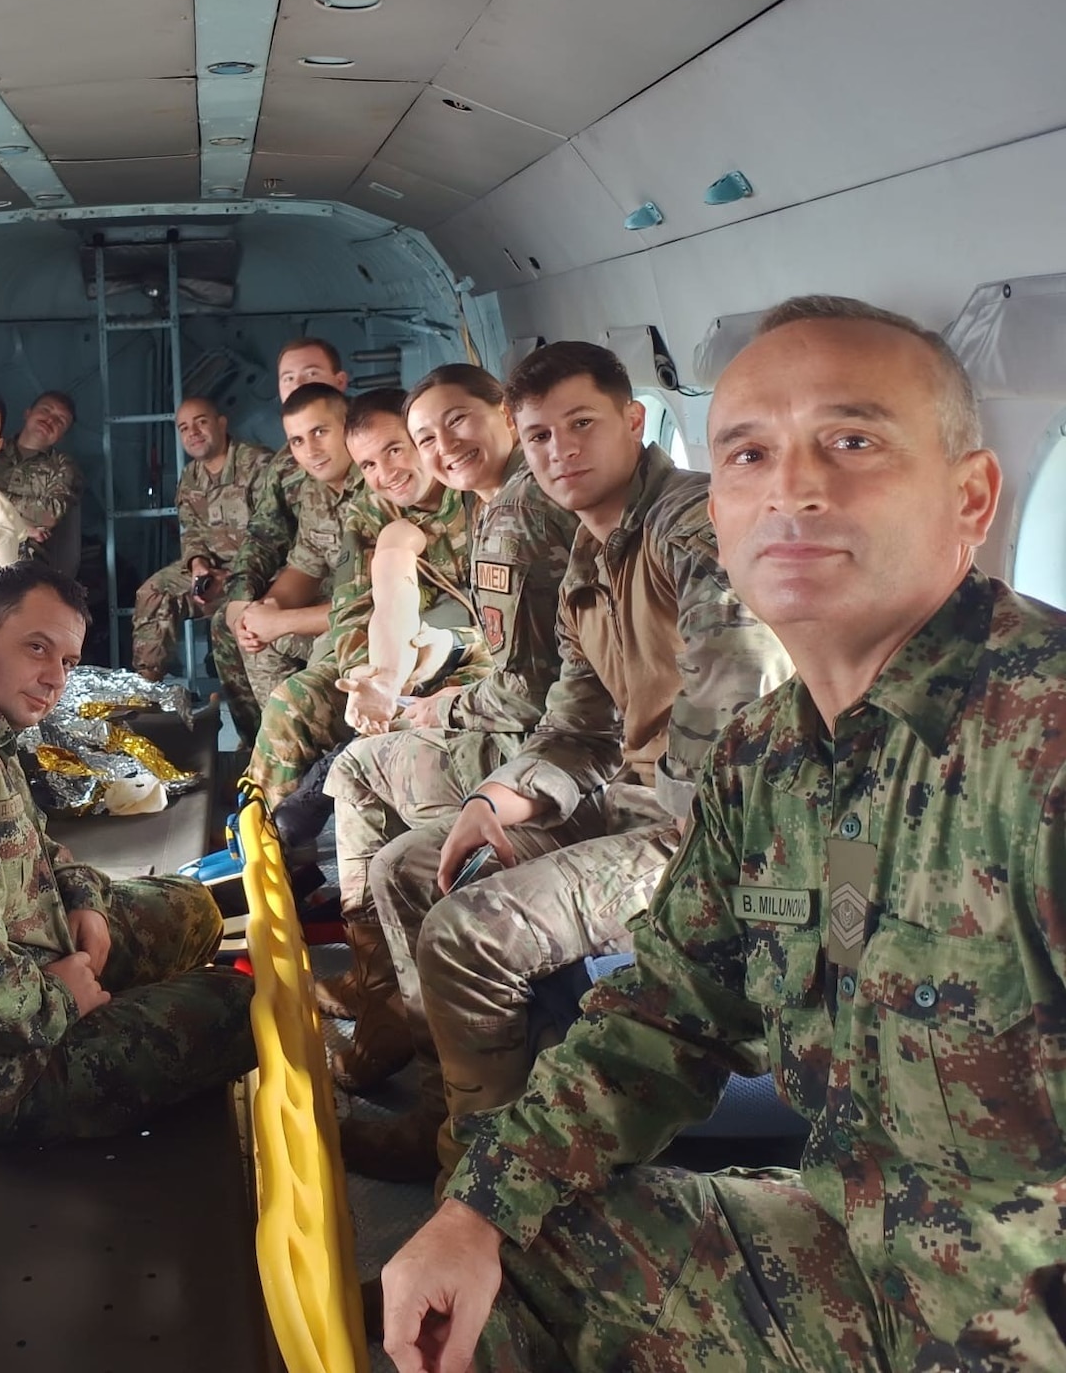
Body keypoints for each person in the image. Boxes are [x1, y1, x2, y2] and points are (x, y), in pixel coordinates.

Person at [379, 296, 1066, 1373]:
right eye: (746, 452)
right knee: (505, 1260)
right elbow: (667, 1011)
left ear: (970, 498)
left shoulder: (1036, 747)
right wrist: (478, 1205)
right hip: (862, 1253)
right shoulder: (773, 757)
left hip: (1020, 1310)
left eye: (850, 442)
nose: (791, 487)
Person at [343, 342, 788, 1183]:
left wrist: (654, 809)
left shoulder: (693, 523)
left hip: (719, 835)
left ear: (632, 421)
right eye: (541, 436)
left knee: (473, 931)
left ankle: (488, 1194)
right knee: (408, 866)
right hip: (636, 803)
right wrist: (500, 798)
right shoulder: (591, 556)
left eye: (581, 425)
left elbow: (738, 676)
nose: (560, 452)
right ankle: (448, 1119)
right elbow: (580, 726)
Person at [0, 562, 256, 1143]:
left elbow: (30, 838)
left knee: (194, 909)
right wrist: (63, 996)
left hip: (22, 948)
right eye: (37, 648)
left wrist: (83, 899)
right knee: (242, 1005)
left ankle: (110, 991)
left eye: (67, 662)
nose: (54, 677)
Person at [322, 366, 578, 1092]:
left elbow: (534, 686)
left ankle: (391, 1022)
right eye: (427, 436)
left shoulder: (520, 511)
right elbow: (528, 643)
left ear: (505, 412)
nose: (442, 448)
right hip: (543, 730)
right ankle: (393, 1017)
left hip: (547, 750)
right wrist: (448, 651)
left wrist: (440, 707)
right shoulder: (497, 505)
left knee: (359, 771)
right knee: (367, 777)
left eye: (457, 423)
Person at [295, 388, 489, 1092]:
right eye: (370, 463)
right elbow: (394, 583)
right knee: (354, 758)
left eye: (404, 451)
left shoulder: (510, 514)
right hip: (498, 714)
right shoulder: (408, 521)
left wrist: (432, 681)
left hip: (532, 751)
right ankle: (381, 1007)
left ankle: (404, 1049)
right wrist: (389, 675)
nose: (439, 454)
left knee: (383, 830)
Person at [215, 338, 352, 741]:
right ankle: (263, 744)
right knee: (242, 631)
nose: (309, 448)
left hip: (361, 611)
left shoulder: (370, 459)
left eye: (310, 376)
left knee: (291, 653)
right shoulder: (298, 475)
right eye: (288, 379)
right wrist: (253, 606)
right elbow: (271, 540)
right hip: (318, 588)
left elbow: (370, 600)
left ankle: (298, 751)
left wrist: (280, 618)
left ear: (338, 382)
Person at [130, 396, 270, 681]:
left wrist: (231, 575)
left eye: (201, 422)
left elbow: (272, 534)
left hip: (263, 572)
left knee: (233, 615)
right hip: (213, 572)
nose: (192, 432)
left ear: (221, 423)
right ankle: (149, 684)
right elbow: (191, 531)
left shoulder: (258, 464)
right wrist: (198, 566)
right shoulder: (190, 477)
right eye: (183, 428)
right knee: (154, 593)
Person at [0, 390, 84, 574]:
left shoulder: (62, 466)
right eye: (46, 410)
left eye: (60, 421)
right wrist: (22, 523)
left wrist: (4, 515)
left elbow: (50, 513)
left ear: (62, 435)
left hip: (24, 550)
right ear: (27, 413)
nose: (50, 420)